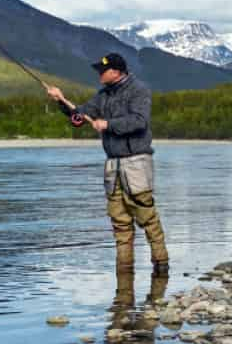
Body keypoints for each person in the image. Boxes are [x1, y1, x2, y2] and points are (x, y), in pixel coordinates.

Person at [46, 53, 170, 276]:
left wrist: (108, 124)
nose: (99, 74)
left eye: (102, 71)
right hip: (113, 166)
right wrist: (61, 101)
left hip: (136, 162)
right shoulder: (103, 95)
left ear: (115, 71)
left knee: (147, 217)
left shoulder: (139, 90)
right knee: (119, 223)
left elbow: (139, 121)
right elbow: (79, 117)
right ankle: (124, 273)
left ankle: (161, 267)